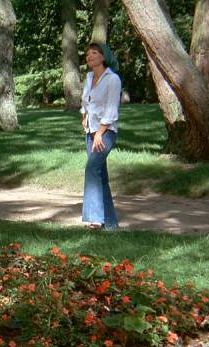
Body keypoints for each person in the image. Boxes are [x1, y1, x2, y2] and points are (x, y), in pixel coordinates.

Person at [80, 43, 121, 230]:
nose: (90, 56)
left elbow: (111, 110)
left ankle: (94, 218)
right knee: (100, 176)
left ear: (103, 57)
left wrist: (100, 133)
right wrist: (85, 116)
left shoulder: (112, 79)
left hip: (105, 132)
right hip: (90, 131)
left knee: (91, 169)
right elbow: (86, 102)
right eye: (88, 54)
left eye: (94, 53)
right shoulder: (89, 78)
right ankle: (111, 224)